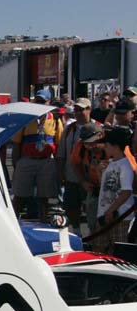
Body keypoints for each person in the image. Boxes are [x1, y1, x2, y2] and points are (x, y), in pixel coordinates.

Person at [11, 88, 63, 221]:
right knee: (19, 195)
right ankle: (13, 221)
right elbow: (17, 142)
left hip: (46, 161)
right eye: (37, 101)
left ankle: (43, 222)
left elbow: (59, 144)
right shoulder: (26, 118)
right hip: (27, 160)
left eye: (43, 101)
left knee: (44, 197)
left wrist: (58, 166)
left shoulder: (55, 120)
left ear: (49, 102)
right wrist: (16, 163)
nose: (39, 104)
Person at [96, 127, 136, 253]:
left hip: (119, 217)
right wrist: (99, 170)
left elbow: (126, 191)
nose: (104, 147)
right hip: (104, 213)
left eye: (107, 145)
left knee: (118, 250)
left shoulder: (125, 166)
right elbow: (103, 186)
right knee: (99, 247)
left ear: (115, 146)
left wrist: (111, 210)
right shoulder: (110, 163)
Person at [56, 98, 93, 231]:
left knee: (90, 207)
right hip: (71, 176)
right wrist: (60, 173)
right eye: (76, 110)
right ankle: (77, 232)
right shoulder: (69, 128)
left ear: (89, 110)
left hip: (90, 177)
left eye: (81, 110)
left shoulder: (97, 127)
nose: (77, 113)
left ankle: (92, 233)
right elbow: (61, 153)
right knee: (71, 207)